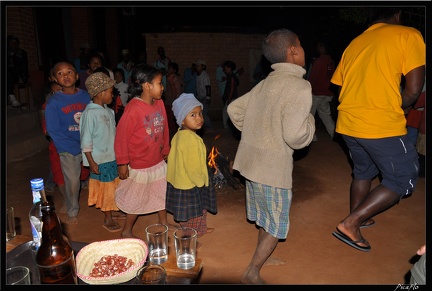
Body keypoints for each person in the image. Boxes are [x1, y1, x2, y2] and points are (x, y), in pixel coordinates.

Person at [330, 7, 425, 252]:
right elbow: (414, 89)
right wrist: (399, 108)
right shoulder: (408, 34)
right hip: (380, 123)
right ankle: (351, 222)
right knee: (402, 178)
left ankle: (358, 215)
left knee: (363, 172)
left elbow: (340, 89)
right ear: (399, 14)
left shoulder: (355, 42)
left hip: (348, 122)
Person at [227, 28, 315, 284]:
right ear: (294, 51)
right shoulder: (300, 87)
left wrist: (255, 130)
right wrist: (309, 122)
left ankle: (263, 257)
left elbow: (234, 109)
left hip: (251, 165)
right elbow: (296, 137)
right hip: (272, 169)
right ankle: (252, 270)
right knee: (276, 225)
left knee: (266, 217)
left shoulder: (266, 82)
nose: (303, 48)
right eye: (300, 43)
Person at [114, 63, 171, 238]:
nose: (162, 87)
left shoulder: (159, 103)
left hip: (157, 160)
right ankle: (127, 230)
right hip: (139, 163)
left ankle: (164, 221)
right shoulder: (133, 108)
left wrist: (166, 148)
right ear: (147, 86)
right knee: (136, 197)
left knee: (161, 192)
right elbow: (121, 137)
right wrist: (123, 163)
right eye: (159, 83)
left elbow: (165, 128)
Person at [45, 60, 91, 225]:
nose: (65, 76)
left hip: (88, 145)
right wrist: (72, 147)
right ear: (55, 79)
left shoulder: (86, 96)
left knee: (96, 174)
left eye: (69, 72)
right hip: (67, 149)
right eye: (60, 73)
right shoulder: (54, 102)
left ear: (77, 76)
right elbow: (53, 130)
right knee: (72, 182)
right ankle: (73, 211)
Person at [166, 93, 217, 242]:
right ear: (182, 119)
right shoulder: (189, 140)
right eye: (193, 115)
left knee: (198, 210)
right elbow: (192, 167)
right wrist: (201, 182)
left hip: (181, 183)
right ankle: (189, 238)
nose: (199, 118)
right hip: (190, 184)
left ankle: (200, 229)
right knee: (192, 214)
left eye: (200, 113)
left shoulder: (181, 134)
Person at [80, 72, 122, 232]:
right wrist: (91, 161)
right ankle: (107, 218)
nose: (113, 94)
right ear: (101, 92)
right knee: (106, 188)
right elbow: (85, 140)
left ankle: (113, 211)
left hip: (112, 157)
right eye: (111, 91)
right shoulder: (90, 114)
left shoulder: (109, 112)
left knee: (114, 186)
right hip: (100, 160)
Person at [307, 40, 336, 141]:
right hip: (327, 93)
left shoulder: (319, 61)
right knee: (325, 115)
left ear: (322, 48)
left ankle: (312, 137)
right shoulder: (331, 61)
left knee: (309, 115)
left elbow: (313, 77)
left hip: (317, 92)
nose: (317, 48)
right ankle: (334, 134)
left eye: (319, 46)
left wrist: (308, 89)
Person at [7, 35, 31, 107]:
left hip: (14, 75)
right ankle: (10, 98)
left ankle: (11, 97)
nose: (13, 44)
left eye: (15, 43)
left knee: (8, 74)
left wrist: (25, 79)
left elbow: (24, 67)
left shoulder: (21, 53)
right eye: (11, 42)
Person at [164, 62, 183, 137]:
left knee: (172, 118)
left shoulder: (174, 79)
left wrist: (175, 102)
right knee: (168, 117)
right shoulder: (168, 77)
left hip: (173, 101)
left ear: (174, 70)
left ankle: (175, 132)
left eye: (170, 68)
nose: (168, 69)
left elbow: (178, 91)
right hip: (168, 101)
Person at [195, 59, 214, 131]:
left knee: (204, 113)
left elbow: (208, 87)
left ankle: (210, 127)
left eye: (198, 65)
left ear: (203, 66)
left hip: (204, 97)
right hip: (200, 97)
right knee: (201, 113)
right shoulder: (198, 75)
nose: (197, 67)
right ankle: (207, 127)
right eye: (197, 65)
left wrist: (208, 97)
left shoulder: (205, 75)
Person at [221, 60, 239, 130]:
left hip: (231, 98)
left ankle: (227, 127)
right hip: (232, 98)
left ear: (230, 68)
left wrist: (229, 99)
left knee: (225, 113)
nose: (225, 70)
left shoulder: (231, 77)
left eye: (226, 68)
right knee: (230, 113)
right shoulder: (231, 76)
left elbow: (231, 88)